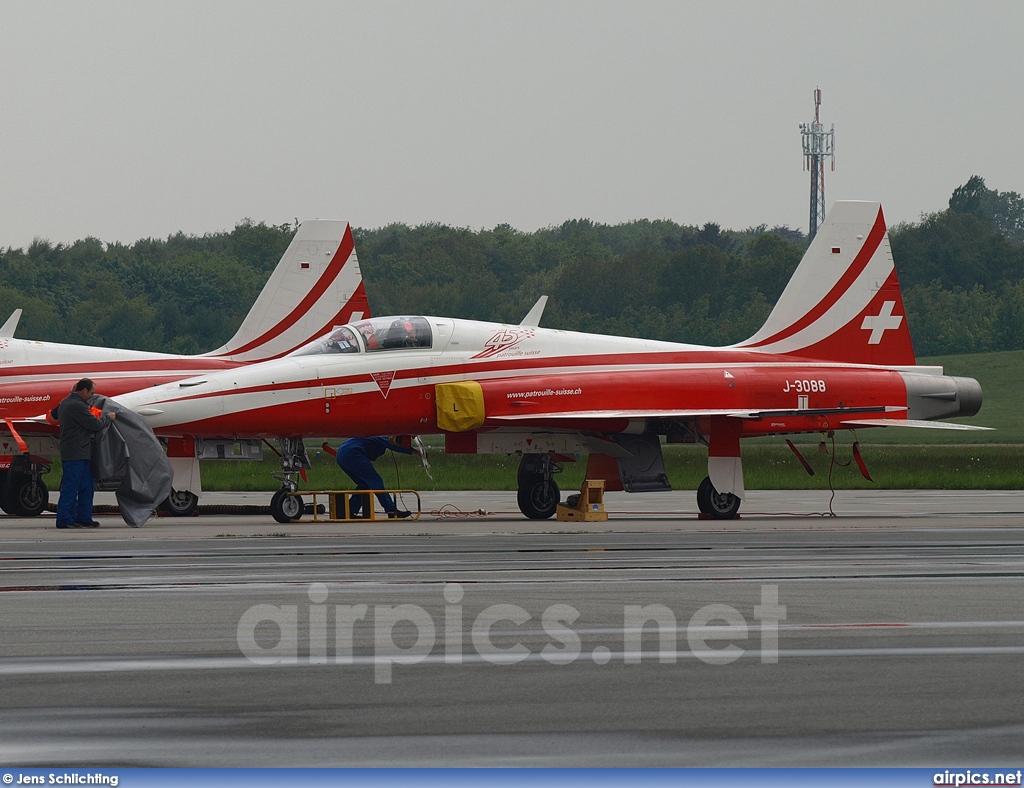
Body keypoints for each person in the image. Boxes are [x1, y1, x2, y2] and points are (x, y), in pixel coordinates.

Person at [49, 378, 116, 529]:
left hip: (80, 452)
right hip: (76, 453)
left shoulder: (67, 402)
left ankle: (83, 517)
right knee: (71, 486)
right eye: (91, 392)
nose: (92, 395)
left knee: (86, 485)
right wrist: (108, 417)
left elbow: (52, 416)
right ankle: (64, 519)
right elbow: (94, 424)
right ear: (84, 390)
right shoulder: (76, 406)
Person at [331, 436, 419, 519]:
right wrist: (415, 452)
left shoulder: (377, 431)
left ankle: (350, 511)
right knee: (375, 480)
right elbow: (392, 444)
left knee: (364, 484)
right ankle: (391, 509)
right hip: (352, 452)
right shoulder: (383, 433)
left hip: (342, 453)